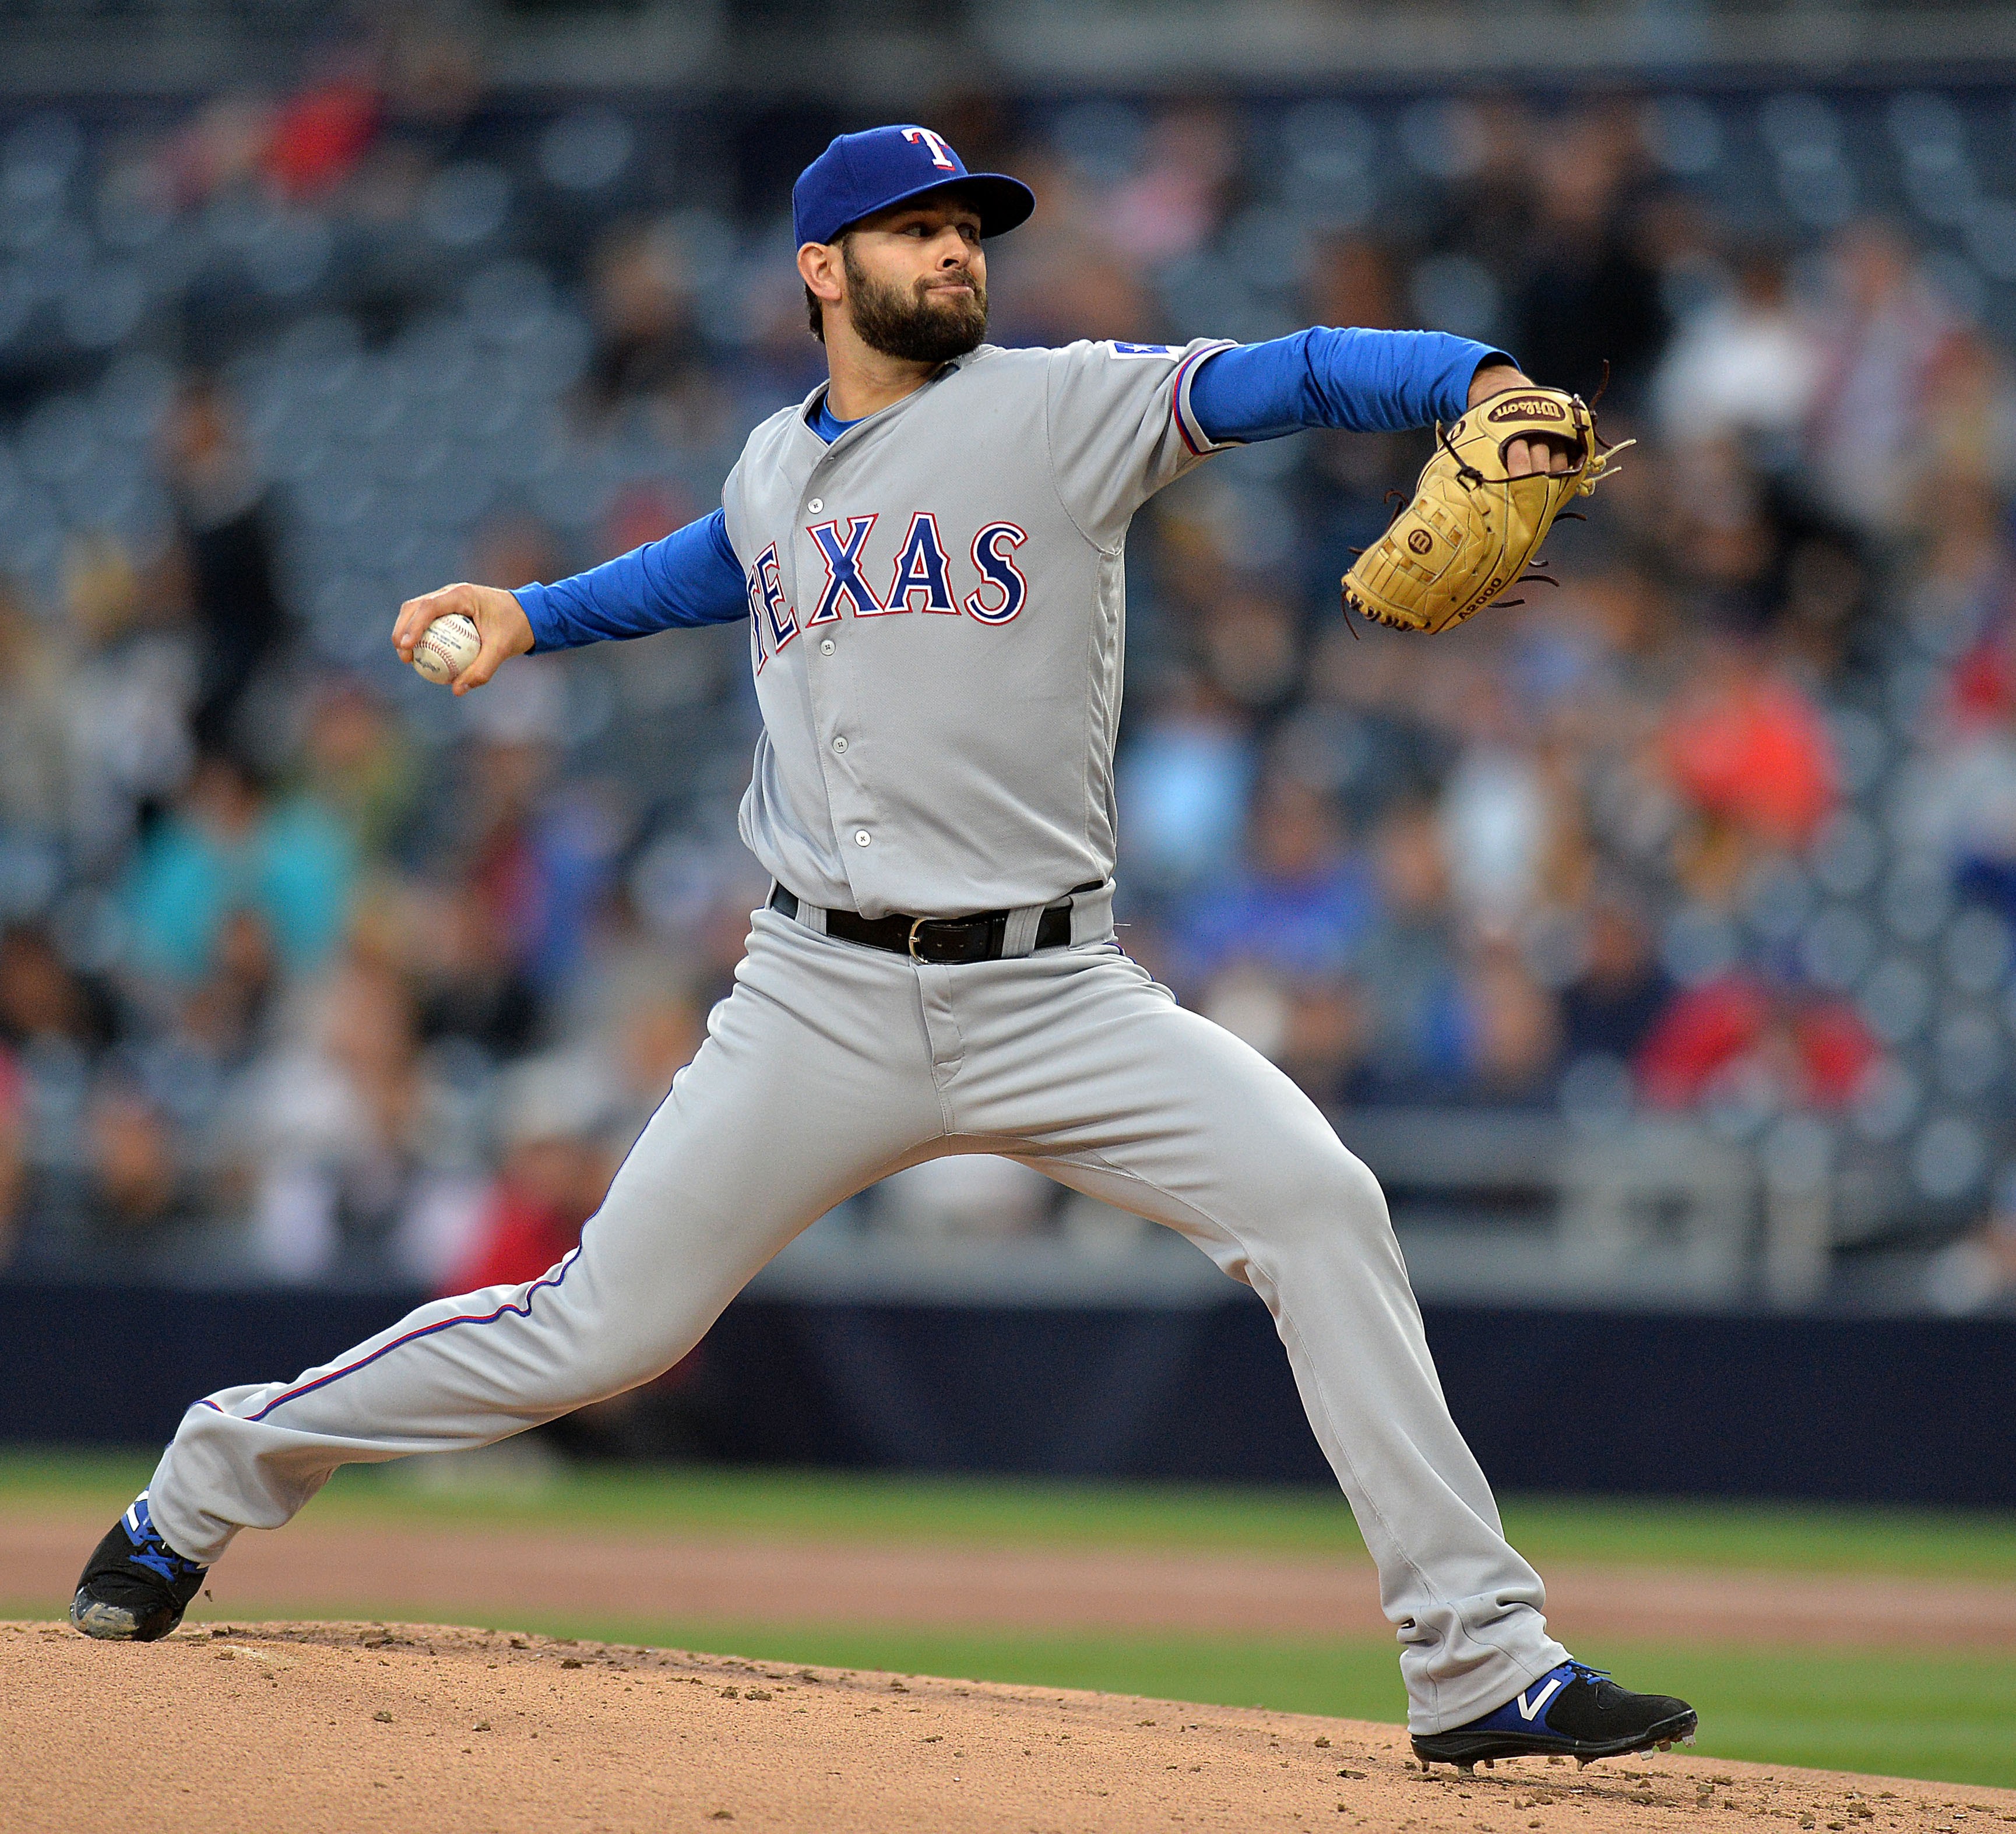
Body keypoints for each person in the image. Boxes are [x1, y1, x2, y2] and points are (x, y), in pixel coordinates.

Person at [73, 124, 1695, 1772]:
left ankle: (1478, 1661)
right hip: (818, 996)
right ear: (818, 269)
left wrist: (1476, 377)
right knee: (596, 1331)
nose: (955, 251)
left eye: (966, 228)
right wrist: (534, 613)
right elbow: (722, 561)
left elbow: (1291, 372)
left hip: (1055, 988)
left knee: (1317, 1200)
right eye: (914, 229)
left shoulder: (1063, 407)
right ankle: (206, 1478)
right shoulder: (772, 465)